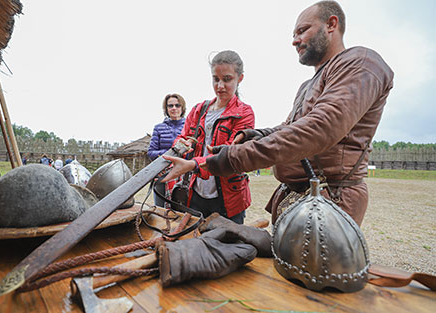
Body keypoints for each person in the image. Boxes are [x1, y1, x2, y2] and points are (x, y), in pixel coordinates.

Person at [164, 1, 393, 227]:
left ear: (331, 24)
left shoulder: (360, 63)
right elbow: (290, 126)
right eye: (294, 34)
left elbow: (319, 129)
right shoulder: (308, 85)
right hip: (302, 198)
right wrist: (257, 135)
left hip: (331, 199)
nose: (295, 40)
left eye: (302, 31)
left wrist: (231, 158)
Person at [165, 50, 255, 224]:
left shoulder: (245, 113)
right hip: (196, 192)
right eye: (216, 79)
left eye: (227, 79)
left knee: (228, 246)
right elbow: (183, 137)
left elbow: (230, 153)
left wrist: (193, 164)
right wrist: (182, 143)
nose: (220, 86)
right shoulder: (199, 110)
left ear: (240, 78)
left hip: (229, 197)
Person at [147, 94, 187, 207]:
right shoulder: (159, 128)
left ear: (182, 108)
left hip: (184, 174)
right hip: (162, 173)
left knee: (182, 210)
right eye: (170, 106)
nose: (174, 108)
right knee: (160, 210)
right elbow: (151, 153)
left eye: (177, 105)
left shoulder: (189, 127)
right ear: (166, 109)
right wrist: (169, 154)